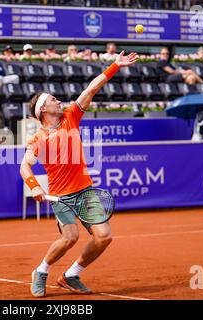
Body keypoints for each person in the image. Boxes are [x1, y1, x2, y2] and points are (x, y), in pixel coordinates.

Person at [20, 50, 139, 297]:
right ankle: (41, 271)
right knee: (69, 237)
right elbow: (24, 167)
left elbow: (91, 88)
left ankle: (71, 274)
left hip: (85, 191)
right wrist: (34, 186)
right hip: (61, 197)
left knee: (104, 237)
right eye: (53, 99)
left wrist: (115, 65)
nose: (59, 101)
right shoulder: (38, 138)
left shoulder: (71, 117)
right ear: (44, 109)